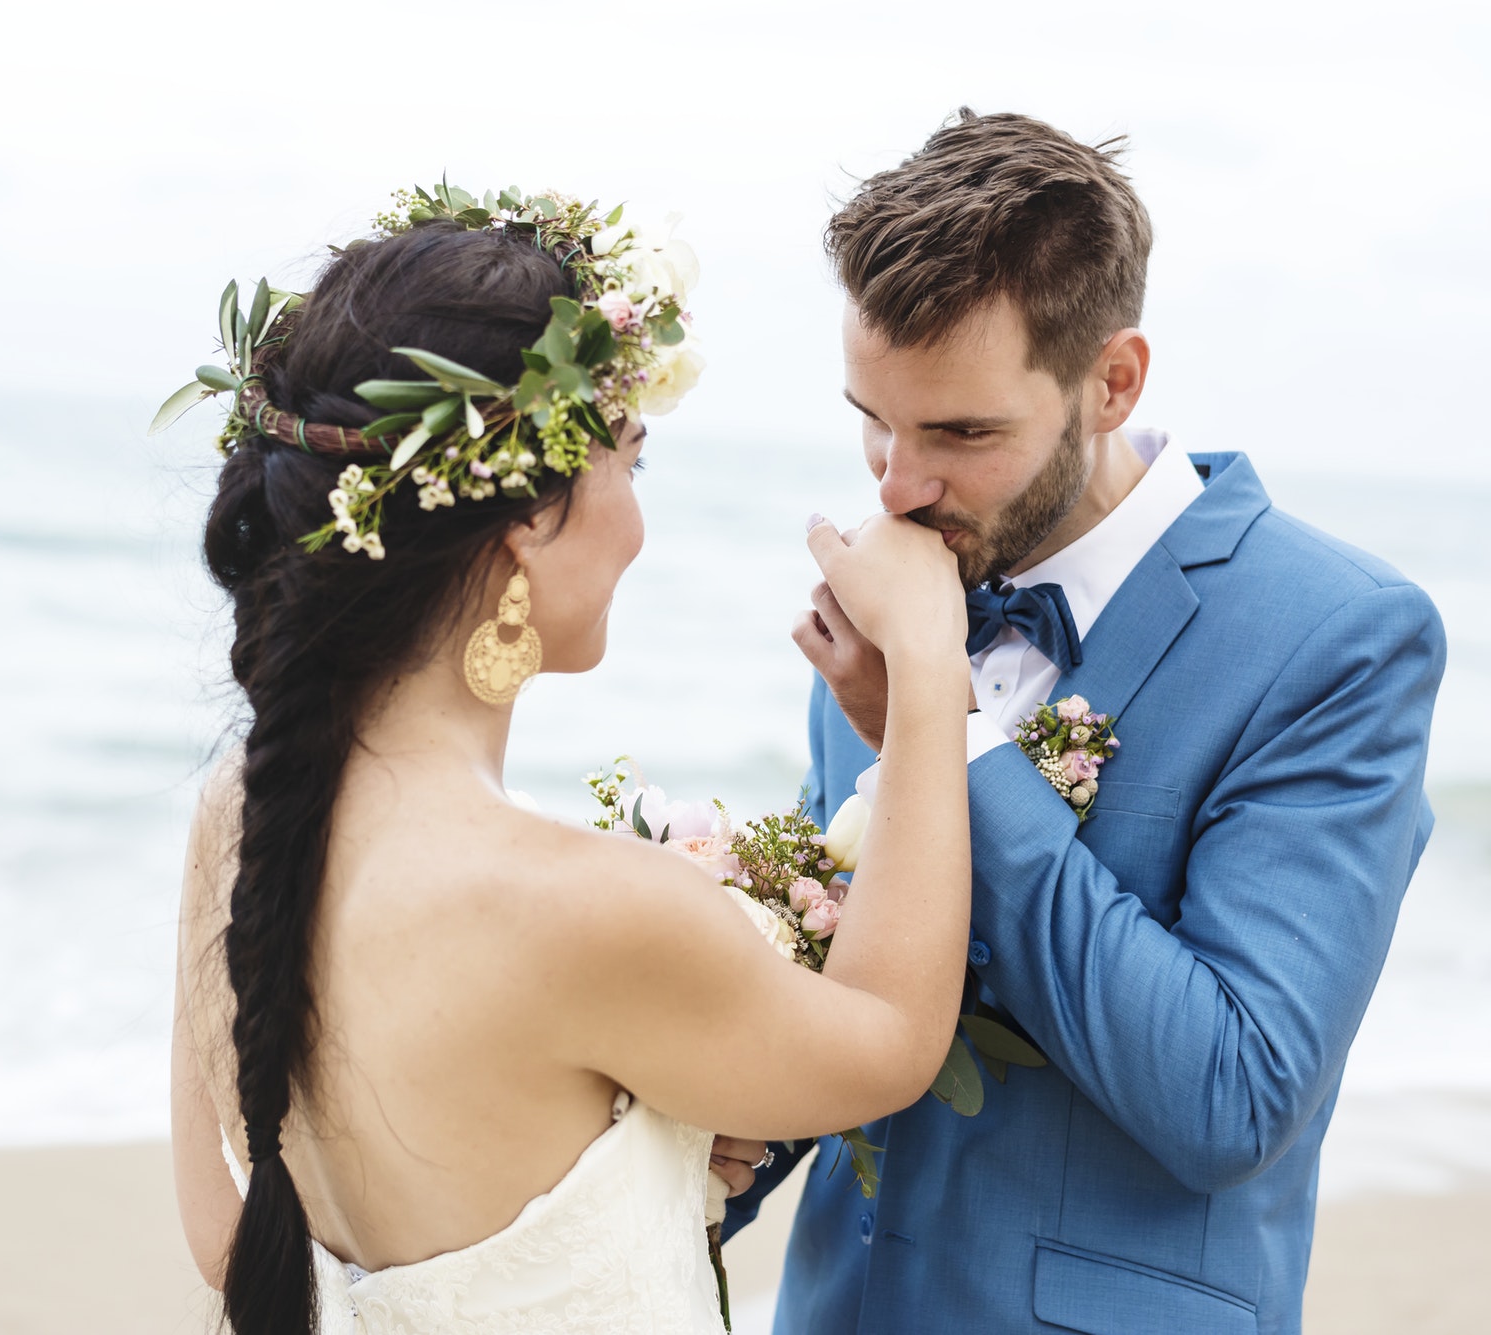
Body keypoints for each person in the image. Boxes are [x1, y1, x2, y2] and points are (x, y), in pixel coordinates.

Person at [165, 189, 975, 1334]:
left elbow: (227, 1236)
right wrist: (930, 669)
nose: (637, 523)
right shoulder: (581, 907)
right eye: (628, 462)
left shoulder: (235, 812)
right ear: (528, 521)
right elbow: (889, 1043)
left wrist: (656, 1153)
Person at [724, 109, 1447, 1334]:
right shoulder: (895, 594)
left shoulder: (1338, 639)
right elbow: (834, 998)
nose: (895, 486)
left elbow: (1228, 1096)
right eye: (872, 419)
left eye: (959, 432)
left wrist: (939, 739)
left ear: (1110, 382)